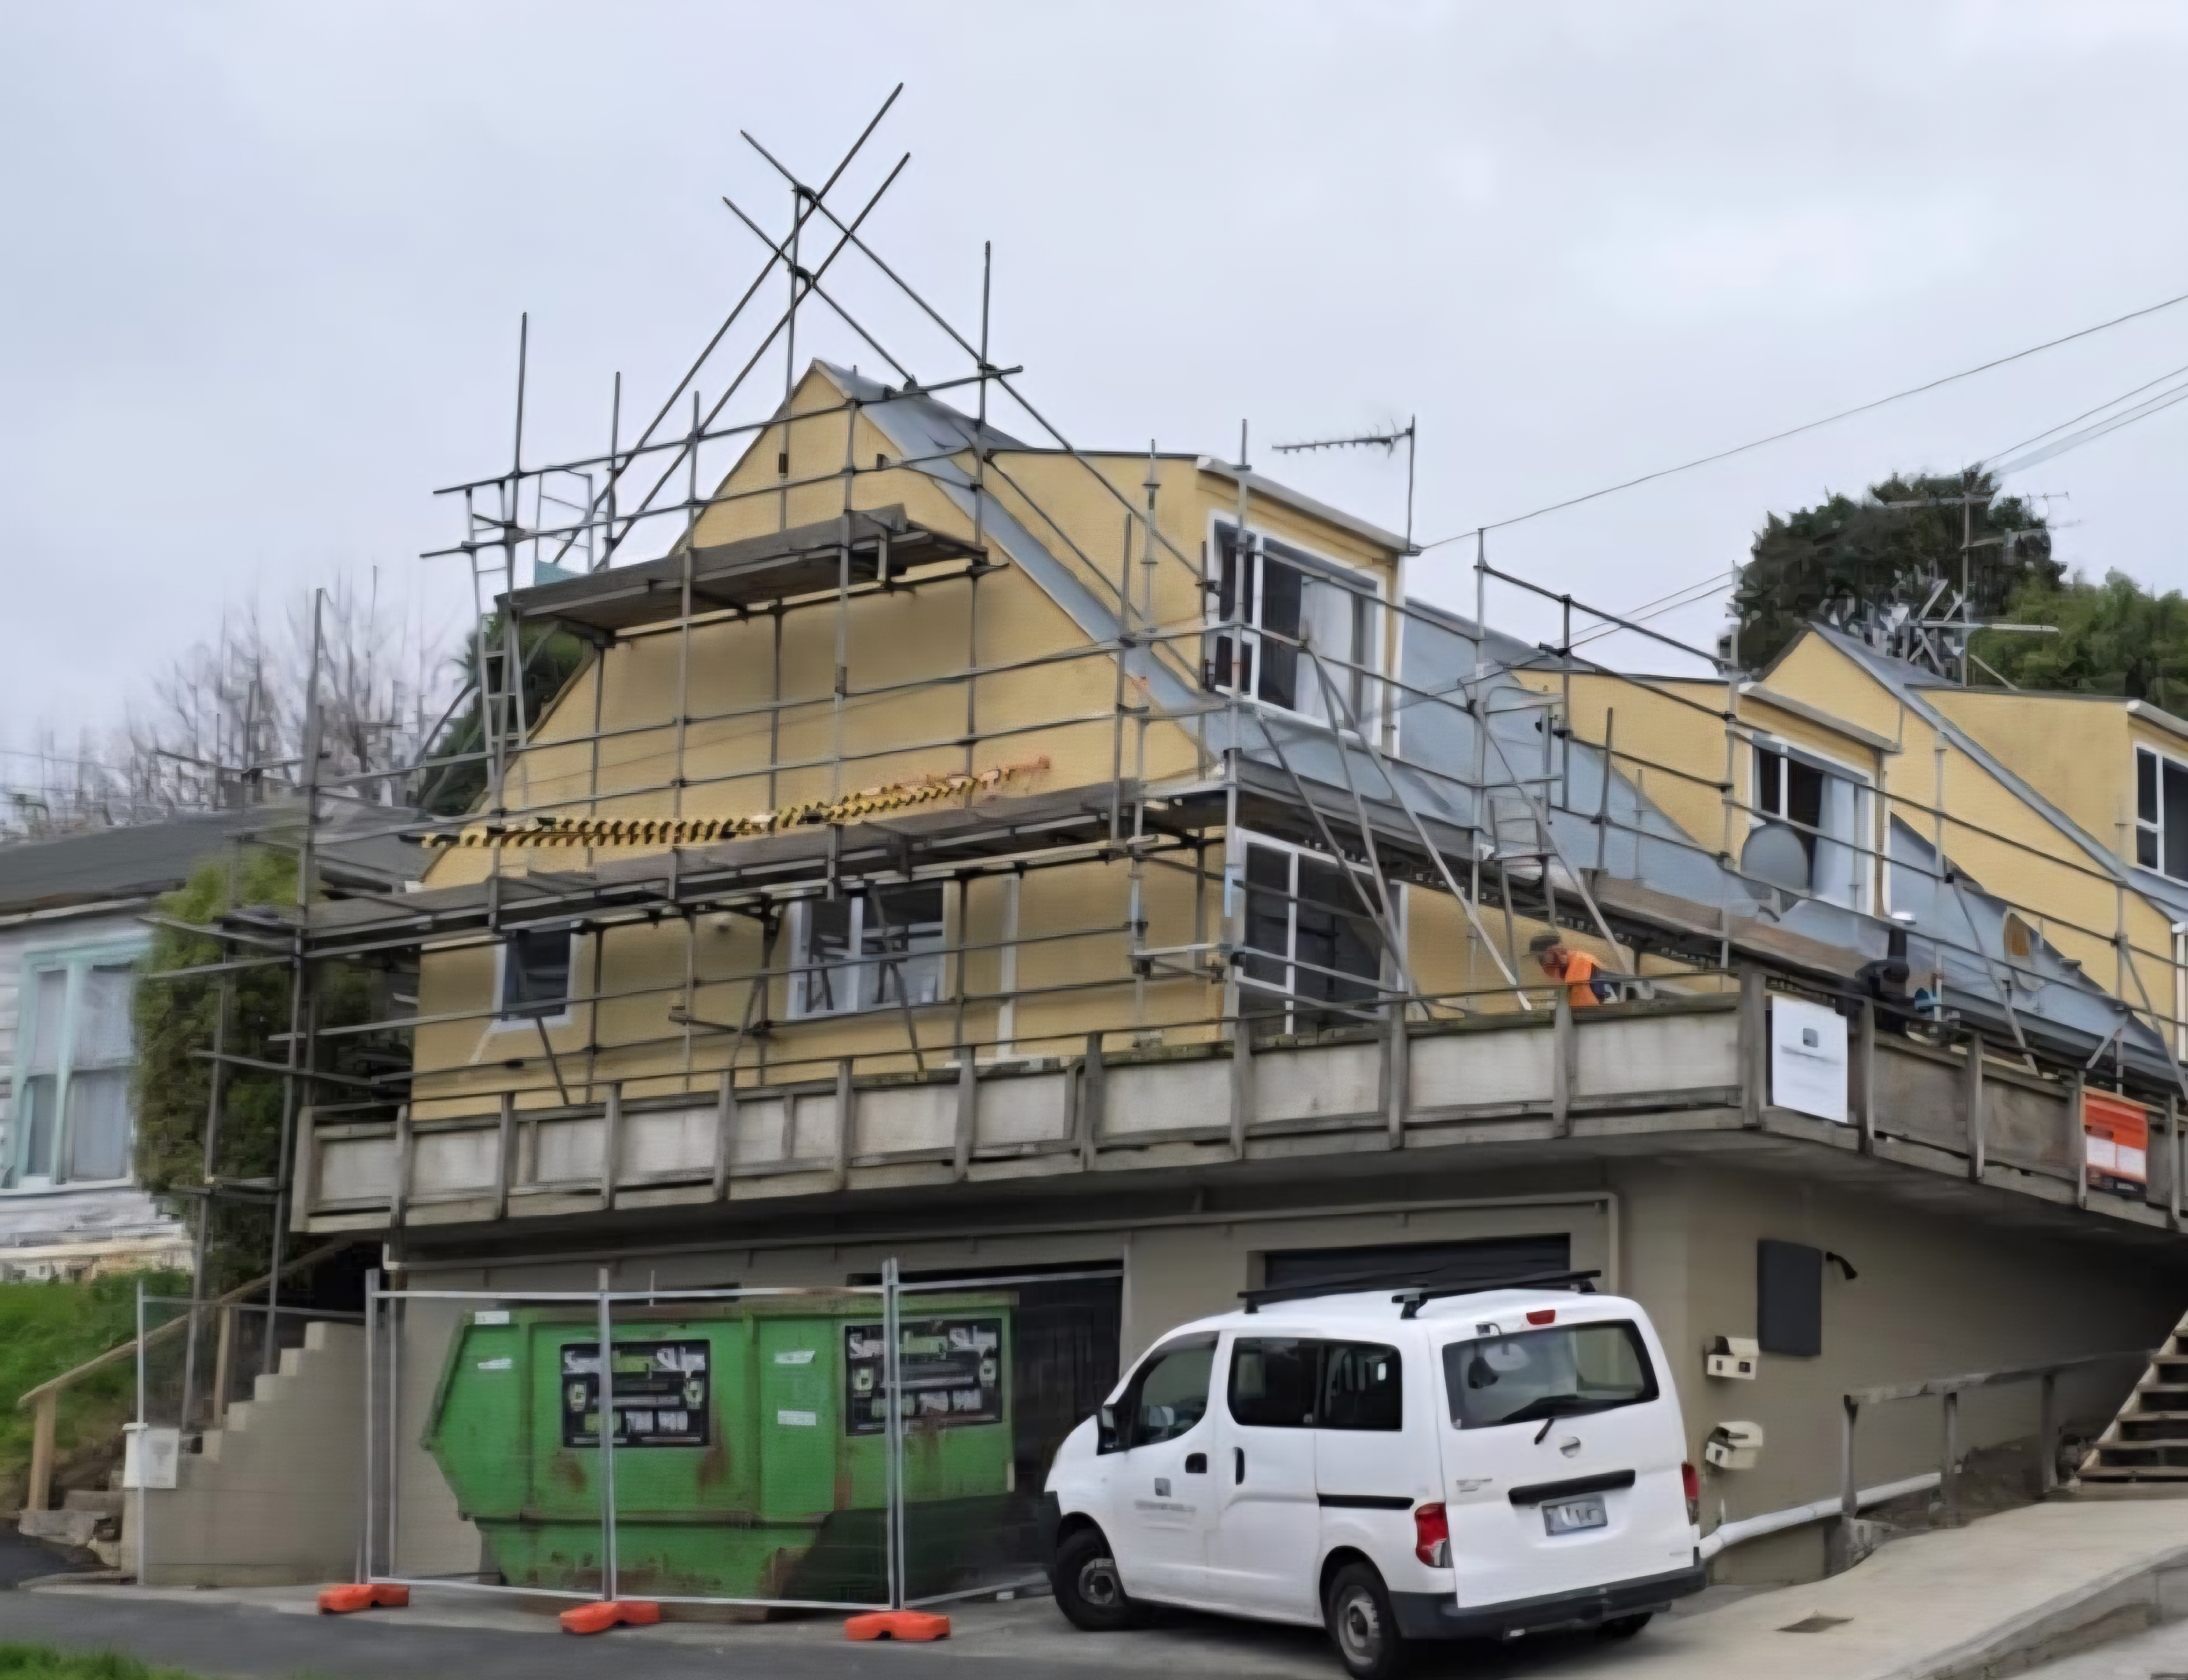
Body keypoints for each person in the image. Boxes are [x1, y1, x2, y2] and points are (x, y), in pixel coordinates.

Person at [1529, 932, 1615, 1007]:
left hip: (1599, 1013)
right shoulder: (1561, 971)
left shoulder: (1585, 963)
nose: (1543, 963)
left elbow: (1606, 998)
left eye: (1560, 951)